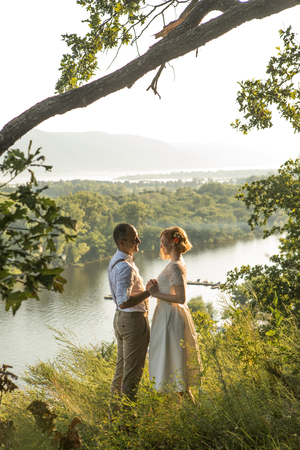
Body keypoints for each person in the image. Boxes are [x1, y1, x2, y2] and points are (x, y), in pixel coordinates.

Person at [146, 226, 202, 402]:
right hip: (167, 314)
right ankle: (183, 409)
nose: (161, 245)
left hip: (170, 316)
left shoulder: (175, 266)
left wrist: (155, 293)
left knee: (175, 365)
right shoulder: (175, 264)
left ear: (173, 242)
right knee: (172, 365)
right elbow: (170, 288)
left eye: (163, 242)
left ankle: (190, 411)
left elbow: (180, 297)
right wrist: (158, 286)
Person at [108, 223, 150, 413]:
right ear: (122, 242)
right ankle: (128, 424)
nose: (139, 241)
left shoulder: (116, 260)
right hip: (132, 322)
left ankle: (114, 416)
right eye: (135, 239)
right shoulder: (125, 267)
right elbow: (124, 302)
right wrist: (149, 292)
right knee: (132, 375)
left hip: (121, 320)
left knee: (121, 371)